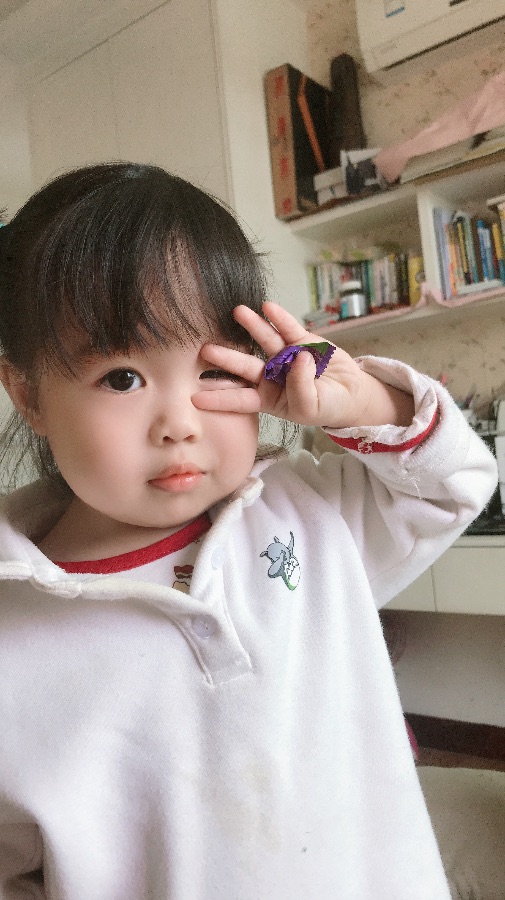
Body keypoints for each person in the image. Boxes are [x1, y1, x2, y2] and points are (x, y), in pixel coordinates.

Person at [0, 162, 496, 900]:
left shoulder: (309, 509)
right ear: (29, 394)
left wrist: (372, 403)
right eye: (122, 378)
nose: (179, 424)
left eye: (214, 371)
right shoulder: (16, 627)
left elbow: (455, 483)